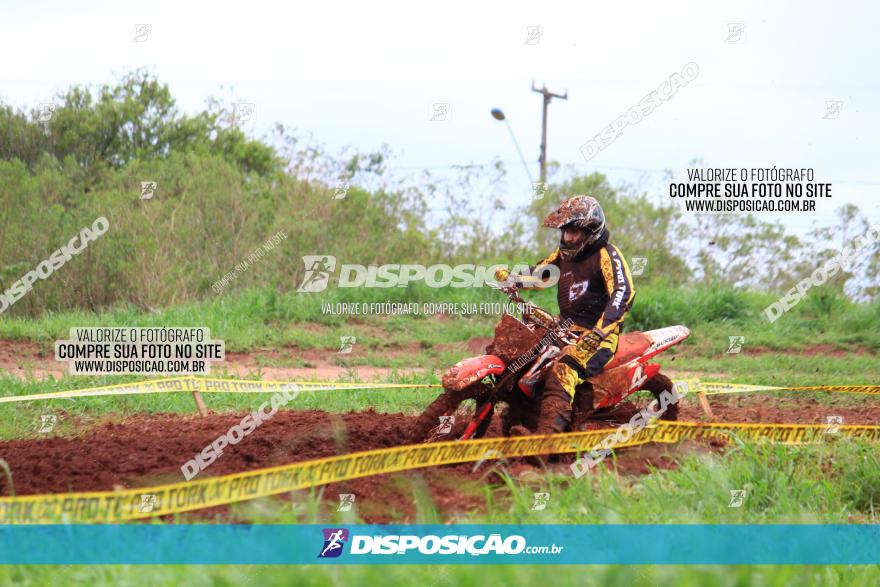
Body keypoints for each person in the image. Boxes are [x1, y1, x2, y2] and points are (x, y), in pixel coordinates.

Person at [496, 195, 636, 435]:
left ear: (591, 231)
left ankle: (548, 440)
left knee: (565, 368)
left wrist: (600, 332)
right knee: (523, 358)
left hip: (600, 335)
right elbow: (542, 274)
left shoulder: (607, 255)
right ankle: (522, 414)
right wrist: (514, 279)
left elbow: (623, 293)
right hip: (565, 329)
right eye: (565, 232)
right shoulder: (564, 255)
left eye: (574, 232)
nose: (568, 238)